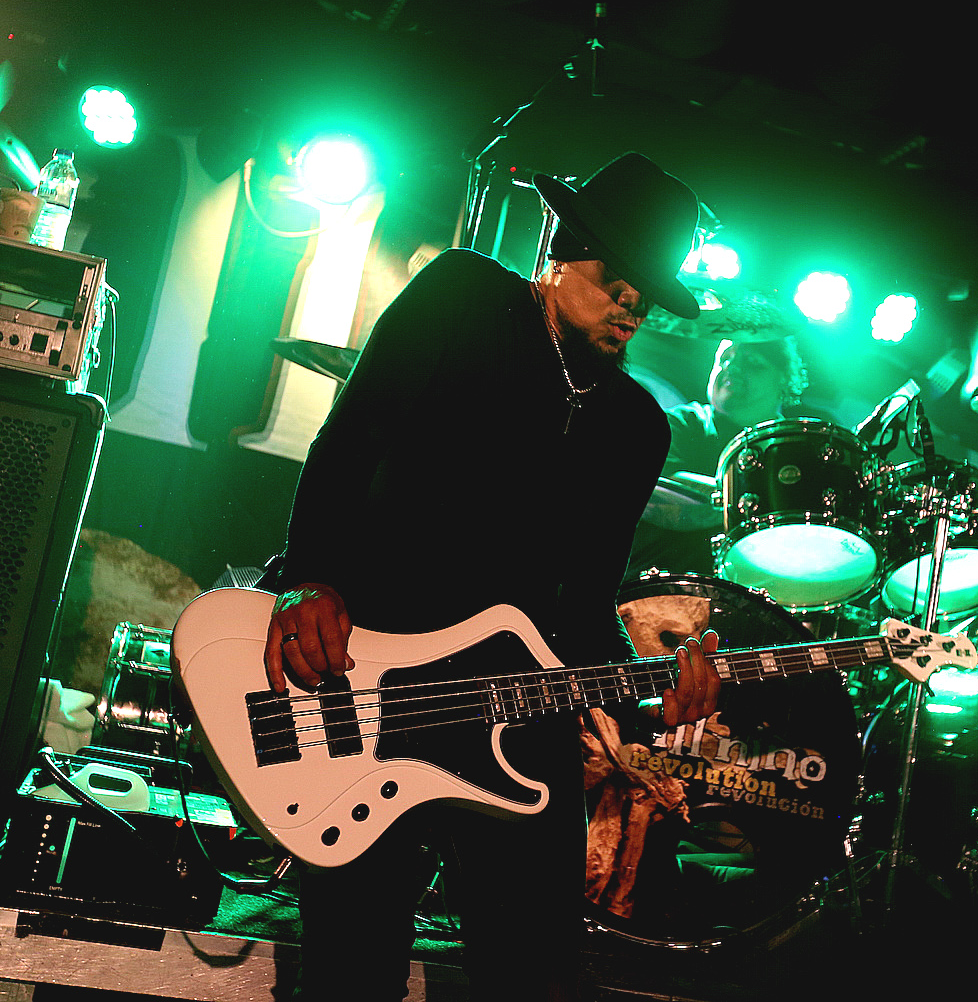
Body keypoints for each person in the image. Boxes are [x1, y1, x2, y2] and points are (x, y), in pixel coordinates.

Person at [259, 151, 724, 1002]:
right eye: (616, 278)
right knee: (354, 965)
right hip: (375, 676)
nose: (631, 304)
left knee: (537, 970)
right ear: (562, 249)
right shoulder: (465, 297)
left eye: (646, 293)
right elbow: (348, 443)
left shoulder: (635, 427)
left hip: (516, 709)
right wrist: (309, 579)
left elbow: (586, 607)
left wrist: (651, 698)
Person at [627, 336, 807, 577]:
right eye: (724, 359)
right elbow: (660, 490)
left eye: (752, 362)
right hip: (663, 581)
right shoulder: (680, 423)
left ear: (785, 379)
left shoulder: (802, 449)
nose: (732, 367)